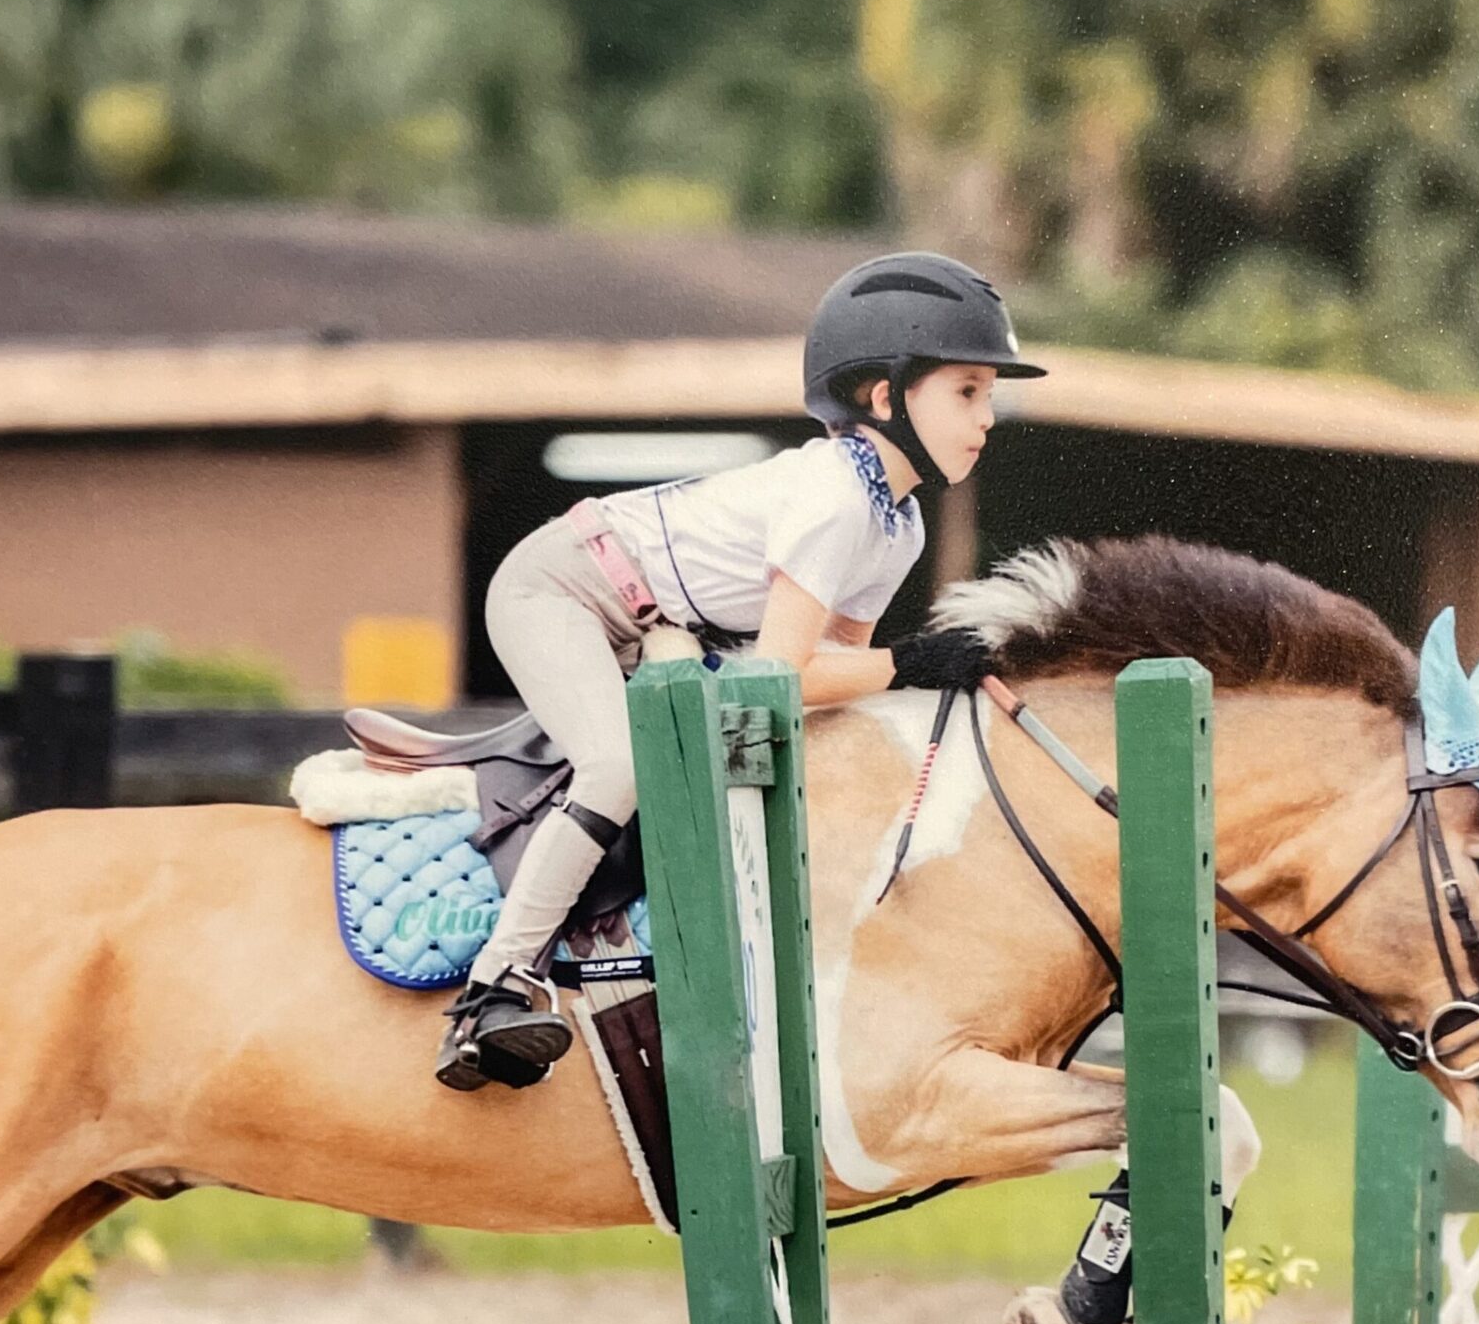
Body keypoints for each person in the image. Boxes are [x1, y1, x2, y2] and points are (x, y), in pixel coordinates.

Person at [436, 249, 1044, 1091]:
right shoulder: (836, 495)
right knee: (617, 765)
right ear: (884, 397)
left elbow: (819, 683)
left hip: (656, 628)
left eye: (990, 394)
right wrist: (912, 663)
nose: (988, 415)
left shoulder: (896, 525)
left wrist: (911, 669)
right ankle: (493, 989)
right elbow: (782, 677)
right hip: (562, 589)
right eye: (968, 391)